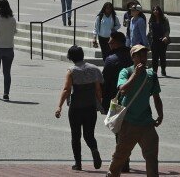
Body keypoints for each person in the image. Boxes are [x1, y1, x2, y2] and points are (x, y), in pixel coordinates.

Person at [107, 44, 163, 177]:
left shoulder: (151, 75)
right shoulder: (126, 72)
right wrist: (135, 75)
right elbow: (123, 89)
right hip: (128, 123)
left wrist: (160, 114)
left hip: (146, 123)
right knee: (120, 156)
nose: (144, 57)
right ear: (133, 57)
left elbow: (156, 96)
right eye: (140, 55)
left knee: (151, 157)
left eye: (145, 54)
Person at [55, 45, 104, 171]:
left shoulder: (71, 71)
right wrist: (100, 104)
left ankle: (78, 163)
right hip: (90, 107)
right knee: (89, 135)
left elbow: (67, 89)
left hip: (76, 108)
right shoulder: (94, 69)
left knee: (75, 136)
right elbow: (98, 90)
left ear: (70, 57)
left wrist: (59, 106)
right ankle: (94, 150)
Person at [101, 32, 133, 173]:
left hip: (116, 100)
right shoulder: (133, 56)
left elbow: (105, 82)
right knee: (131, 131)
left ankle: (123, 161)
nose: (109, 44)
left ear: (119, 42)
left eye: (111, 42)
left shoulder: (111, 59)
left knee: (119, 131)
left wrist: (102, 102)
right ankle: (125, 160)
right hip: (133, 99)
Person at [147, 6, 171, 77]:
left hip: (162, 40)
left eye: (157, 10)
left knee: (162, 56)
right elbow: (150, 31)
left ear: (159, 11)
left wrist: (166, 36)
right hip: (154, 40)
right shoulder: (151, 20)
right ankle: (154, 71)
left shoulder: (164, 19)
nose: (155, 11)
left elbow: (167, 30)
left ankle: (163, 70)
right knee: (154, 57)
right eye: (154, 10)